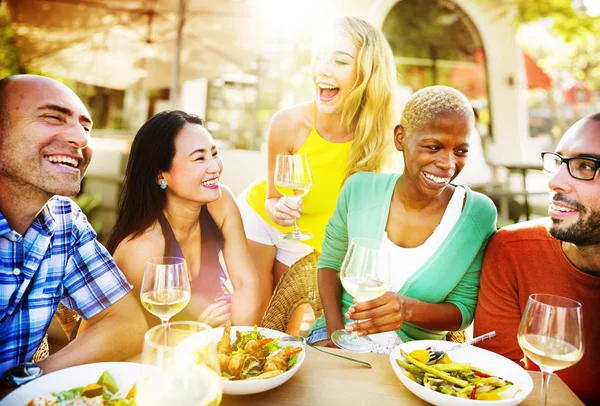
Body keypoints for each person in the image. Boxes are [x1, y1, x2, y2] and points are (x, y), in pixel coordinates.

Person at [238, 16, 398, 332]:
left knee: (294, 334)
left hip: (321, 240)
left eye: (340, 61)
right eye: (318, 58)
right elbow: (272, 197)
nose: (322, 70)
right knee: (257, 321)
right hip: (267, 223)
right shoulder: (288, 124)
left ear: (366, 74)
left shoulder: (382, 136)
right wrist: (278, 208)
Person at [310, 86, 497, 353]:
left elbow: (464, 310)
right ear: (401, 138)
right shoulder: (360, 189)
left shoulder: (477, 215)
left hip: (413, 353)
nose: (447, 163)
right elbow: (330, 263)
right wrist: (335, 334)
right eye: (434, 147)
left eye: (461, 151)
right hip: (338, 330)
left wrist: (407, 310)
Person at [0, 75, 147, 383]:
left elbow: (127, 324)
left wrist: (25, 382)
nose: (81, 138)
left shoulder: (65, 219)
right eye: (53, 117)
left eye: (86, 127)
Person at [473, 113, 600, 405]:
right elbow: (495, 383)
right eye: (559, 161)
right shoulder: (513, 250)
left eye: (585, 166)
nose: (556, 181)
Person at [107, 110, 261, 328]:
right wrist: (194, 332)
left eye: (214, 154)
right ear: (161, 175)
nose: (215, 167)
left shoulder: (221, 202)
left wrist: (241, 345)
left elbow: (246, 283)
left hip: (209, 347)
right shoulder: (142, 249)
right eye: (199, 158)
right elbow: (130, 336)